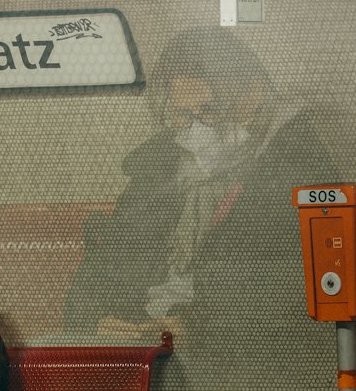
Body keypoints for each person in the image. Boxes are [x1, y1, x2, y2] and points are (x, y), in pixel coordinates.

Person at [64, 26, 335, 352]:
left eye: (209, 111)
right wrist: (95, 318)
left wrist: (194, 324)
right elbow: (105, 262)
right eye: (181, 114)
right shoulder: (156, 167)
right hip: (142, 342)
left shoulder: (295, 168)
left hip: (233, 354)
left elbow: (293, 285)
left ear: (253, 94)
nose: (194, 130)